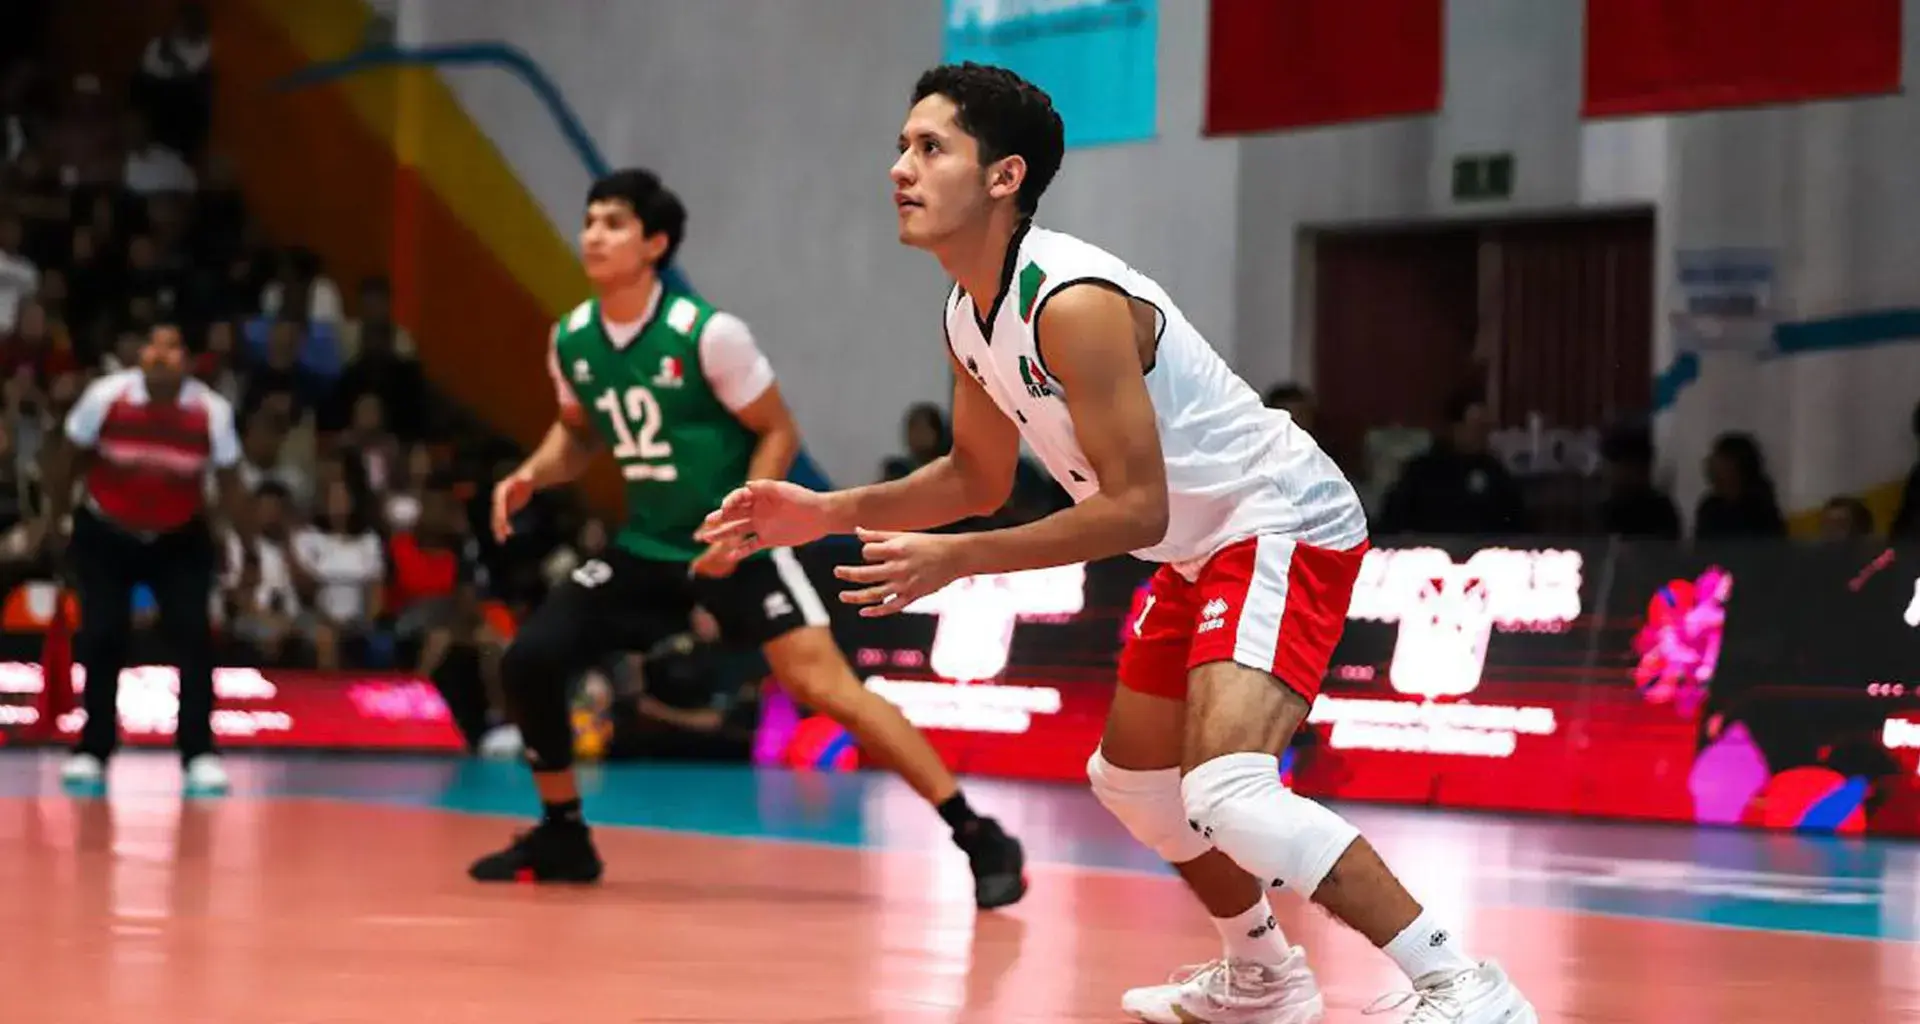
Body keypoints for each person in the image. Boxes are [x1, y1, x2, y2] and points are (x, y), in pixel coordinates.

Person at [698, 64, 1539, 1024]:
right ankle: (1263, 975)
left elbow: (1132, 509)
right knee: (1135, 784)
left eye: (930, 148)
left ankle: (1462, 985)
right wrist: (827, 509)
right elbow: (976, 479)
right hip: (1197, 546)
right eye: (902, 147)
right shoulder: (967, 315)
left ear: (1004, 176)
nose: (900, 168)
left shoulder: (1073, 302)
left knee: (1229, 787)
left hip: (1276, 520)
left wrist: (959, 559)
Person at [473, 168, 1027, 910]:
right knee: (531, 659)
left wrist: (745, 528)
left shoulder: (708, 334)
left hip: (737, 547)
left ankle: (977, 832)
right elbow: (578, 436)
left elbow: (778, 430)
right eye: (590, 221)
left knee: (823, 687)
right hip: (649, 548)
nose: (594, 235)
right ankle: (563, 832)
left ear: (655, 244)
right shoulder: (570, 339)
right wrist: (532, 476)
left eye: (614, 223)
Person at [42, 322, 248, 792]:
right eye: (153, 344)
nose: (159, 353)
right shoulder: (106, 395)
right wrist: (54, 522)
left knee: (195, 637)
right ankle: (94, 747)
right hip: (107, 531)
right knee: (102, 633)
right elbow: (66, 459)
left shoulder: (210, 411)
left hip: (179, 537)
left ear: (189, 363)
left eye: (172, 347)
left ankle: (198, 752)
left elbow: (233, 482)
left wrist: (245, 546)